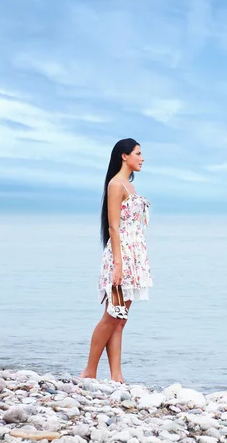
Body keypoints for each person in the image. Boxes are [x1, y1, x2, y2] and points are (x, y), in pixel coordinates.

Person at [80, 138, 152, 382]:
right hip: (120, 257)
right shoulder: (116, 185)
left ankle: (116, 375)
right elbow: (113, 226)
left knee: (121, 319)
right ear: (124, 156)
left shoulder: (130, 187)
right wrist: (118, 265)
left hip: (134, 257)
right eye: (138, 153)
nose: (142, 158)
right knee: (112, 314)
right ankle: (89, 371)